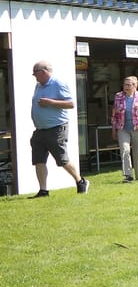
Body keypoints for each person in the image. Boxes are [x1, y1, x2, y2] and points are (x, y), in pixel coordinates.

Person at [30, 60, 88, 197]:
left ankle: (81, 181)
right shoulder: (38, 86)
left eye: (35, 73)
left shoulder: (58, 84)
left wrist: (50, 102)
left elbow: (71, 104)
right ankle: (43, 190)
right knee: (38, 160)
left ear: (43, 72)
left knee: (62, 159)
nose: (34, 76)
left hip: (56, 128)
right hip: (40, 130)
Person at [111, 76, 138, 183]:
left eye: (129, 85)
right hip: (123, 128)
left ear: (135, 86)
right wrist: (113, 128)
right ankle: (128, 176)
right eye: (125, 84)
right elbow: (114, 114)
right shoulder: (118, 96)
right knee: (125, 150)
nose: (126, 87)